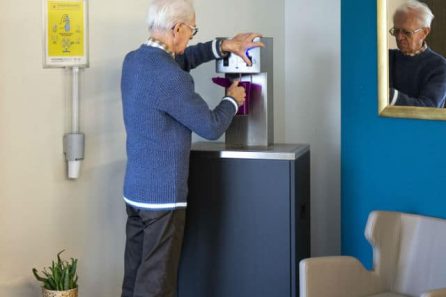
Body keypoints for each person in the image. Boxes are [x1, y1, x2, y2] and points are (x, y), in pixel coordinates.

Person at [120, 0, 264, 296]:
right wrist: (232, 99)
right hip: (163, 199)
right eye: (192, 31)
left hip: (135, 193)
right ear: (177, 28)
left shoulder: (133, 61)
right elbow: (211, 127)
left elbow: (179, 59)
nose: (191, 38)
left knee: (134, 279)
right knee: (156, 286)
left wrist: (222, 45)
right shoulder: (171, 78)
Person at [389, 0, 446, 107]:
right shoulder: (385, 58)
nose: (399, 37)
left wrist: (388, 95)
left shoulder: (439, 66)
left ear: (424, 32)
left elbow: (428, 109)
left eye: (406, 32)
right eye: (396, 31)